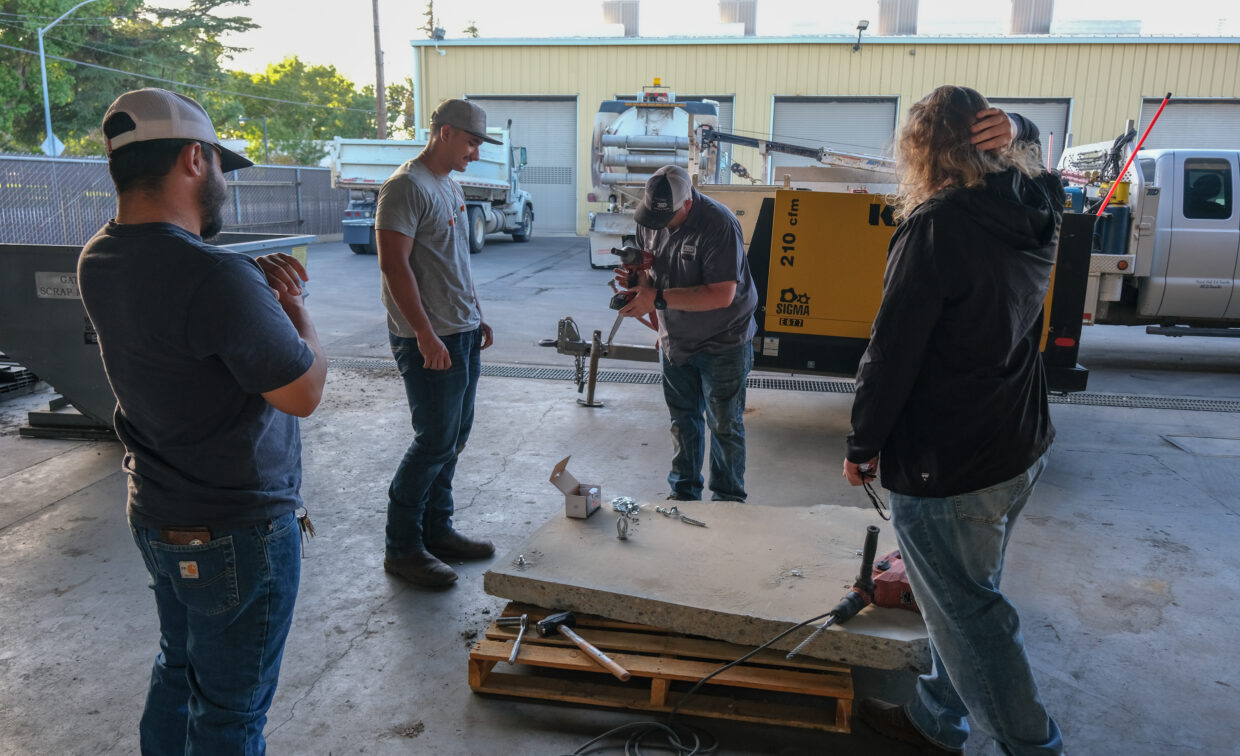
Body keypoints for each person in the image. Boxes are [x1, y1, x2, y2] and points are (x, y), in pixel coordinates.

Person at [78, 88, 326, 754]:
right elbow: (301, 392)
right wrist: (295, 313)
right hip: (237, 530)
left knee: (179, 671)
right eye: (220, 165)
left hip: (158, 510)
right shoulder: (217, 279)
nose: (223, 184)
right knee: (230, 715)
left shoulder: (98, 257)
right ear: (195, 158)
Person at [842, 86, 1066, 756]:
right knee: (962, 594)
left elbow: (893, 352)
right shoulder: (1034, 204)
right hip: (1018, 442)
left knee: (970, 615)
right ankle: (937, 720)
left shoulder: (937, 225)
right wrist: (1021, 127)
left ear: (921, 151)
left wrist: (863, 443)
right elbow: (1048, 172)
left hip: (952, 462)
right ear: (990, 139)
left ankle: (1034, 747)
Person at [375, 99, 497, 587]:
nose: (474, 152)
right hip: (429, 337)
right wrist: (424, 334)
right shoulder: (405, 187)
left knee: (455, 438)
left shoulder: (448, 185)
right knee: (433, 441)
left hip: (460, 330)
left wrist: (476, 315)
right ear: (445, 133)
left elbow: (455, 261)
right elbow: (393, 265)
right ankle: (401, 548)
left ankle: (437, 530)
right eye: (470, 142)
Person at [616, 164, 758, 502]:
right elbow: (654, 275)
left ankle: (727, 501)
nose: (659, 225)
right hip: (675, 342)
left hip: (723, 341)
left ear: (688, 204)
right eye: (653, 218)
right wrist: (640, 284)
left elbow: (721, 294)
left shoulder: (718, 225)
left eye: (668, 218)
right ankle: (683, 492)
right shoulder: (649, 219)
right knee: (682, 420)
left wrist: (657, 298)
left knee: (724, 425)